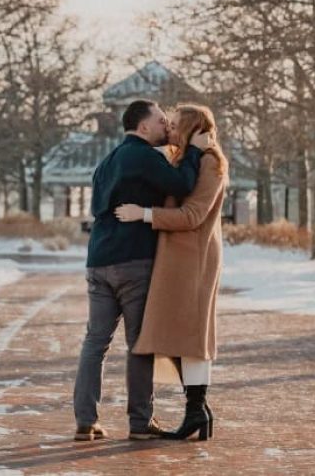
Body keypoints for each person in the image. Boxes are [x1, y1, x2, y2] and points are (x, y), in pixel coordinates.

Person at [72, 99, 211, 441]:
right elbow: (181, 184)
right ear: (144, 126)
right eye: (162, 121)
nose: (167, 126)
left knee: (95, 343)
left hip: (98, 261)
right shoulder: (144, 156)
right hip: (134, 261)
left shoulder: (106, 163)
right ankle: (139, 422)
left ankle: (85, 421)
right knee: (139, 344)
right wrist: (194, 151)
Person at [115, 104, 227, 441]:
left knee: (191, 338)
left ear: (193, 128)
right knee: (178, 337)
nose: (171, 130)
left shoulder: (211, 162)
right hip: (176, 259)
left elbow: (193, 214)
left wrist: (143, 214)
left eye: (177, 125)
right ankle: (198, 411)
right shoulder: (186, 157)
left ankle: (197, 410)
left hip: (193, 259)